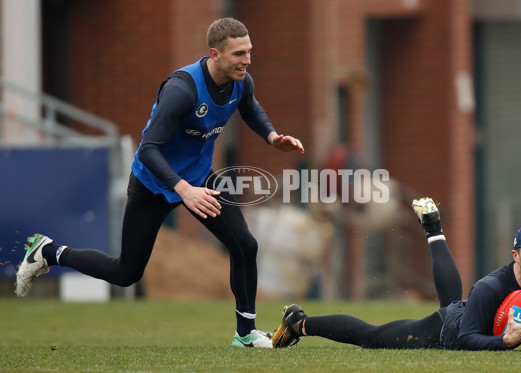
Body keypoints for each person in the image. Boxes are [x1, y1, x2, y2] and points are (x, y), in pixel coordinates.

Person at [15, 17, 304, 348]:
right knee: (126, 273)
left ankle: (246, 335)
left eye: (249, 51)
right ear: (215, 54)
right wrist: (183, 190)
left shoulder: (241, 81)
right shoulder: (182, 90)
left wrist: (271, 136)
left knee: (245, 245)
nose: (248, 60)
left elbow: (250, 107)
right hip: (154, 182)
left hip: (199, 179)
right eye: (239, 54)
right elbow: (149, 149)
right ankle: (49, 251)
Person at [272, 197, 521, 351]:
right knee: (373, 337)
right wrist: (505, 342)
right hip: (447, 330)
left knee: (452, 303)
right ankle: (299, 323)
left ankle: (434, 230)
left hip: (462, 314)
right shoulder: (491, 287)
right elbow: (465, 340)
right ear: (515, 255)